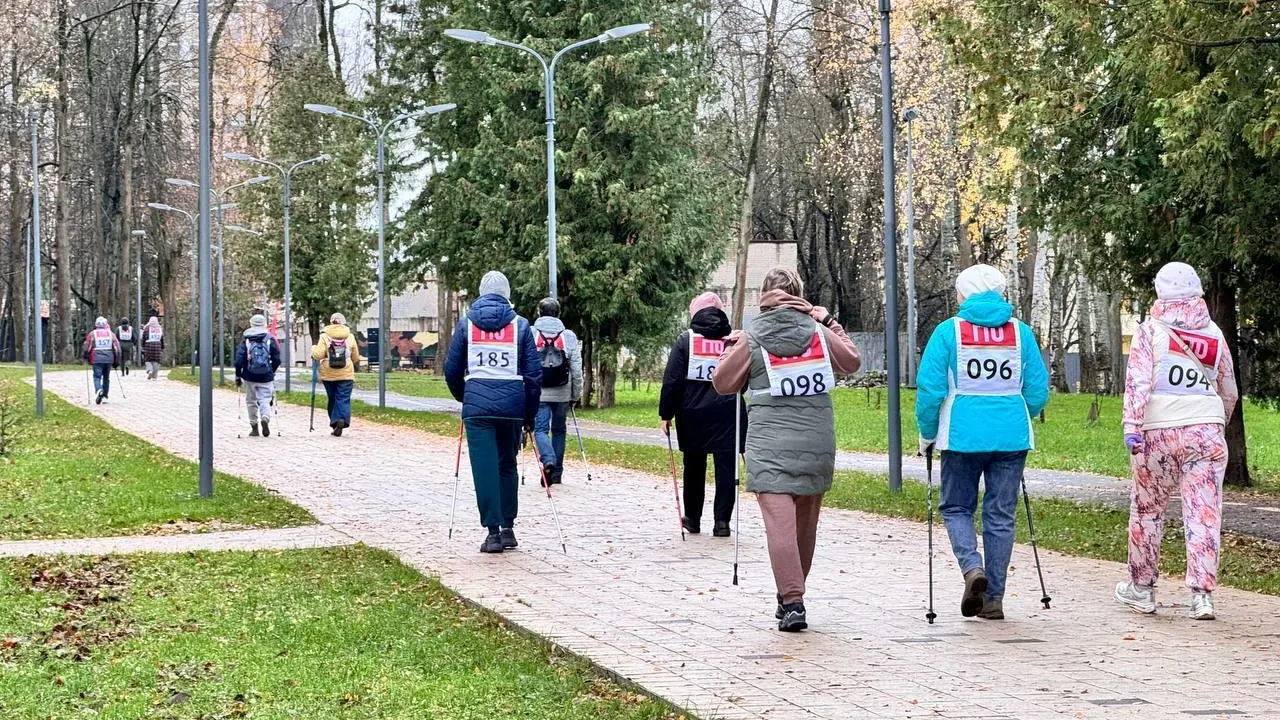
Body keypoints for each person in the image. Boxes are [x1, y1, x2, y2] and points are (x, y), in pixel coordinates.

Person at [712, 268, 861, 631]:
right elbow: (852, 361)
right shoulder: (818, 332)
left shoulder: (752, 337)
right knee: (805, 527)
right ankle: (793, 594)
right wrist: (828, 320)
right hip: (816, 440)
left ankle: (792, 601)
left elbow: (722, 384)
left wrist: (731, 350)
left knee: (780, 527)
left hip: (768, 444)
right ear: (799, 293)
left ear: (764, 295)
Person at [915, 264, 1050, 621]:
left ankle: (972, 568)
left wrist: (927, 434)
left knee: (957, 508)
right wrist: (1019, 411)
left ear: (965, 295)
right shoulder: (1021, 333)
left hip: (961, 434)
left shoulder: (948, 332)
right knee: (1000, 514)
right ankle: (993, 599)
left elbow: (930, 390)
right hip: (1012, 436)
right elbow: (1037, 390)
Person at [1115, 262, 1238, 621]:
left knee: (1147, 510)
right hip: (1206, 432)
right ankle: (1202, 596)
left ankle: (1142, 588)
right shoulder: (1215, 333)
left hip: (1157, 433)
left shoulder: (1149, 331)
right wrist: (1215, 421)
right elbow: (1228, 388)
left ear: (1160, 293)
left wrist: (1132, 426)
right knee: (1203, 512)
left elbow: (1137, 382)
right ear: (1197, 291)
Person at [444, 271, 542, 554]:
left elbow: (451, 371)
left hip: (478, 407)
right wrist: (529, 416)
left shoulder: (466, 325)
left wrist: (467, 397)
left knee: (484, 467)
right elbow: (533, 376)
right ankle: (509, 527)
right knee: (507, 463)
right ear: (507, 294)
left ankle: (493, 532)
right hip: (512, 404)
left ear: (481, 293)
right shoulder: (521, 326)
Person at [660, 291, 746, 537]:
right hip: (728, 413)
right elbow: (744, 376)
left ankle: (693, 519)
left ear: (695, 313)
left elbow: (672, 380)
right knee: (727, 468)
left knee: (694, 466)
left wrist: (666, 413)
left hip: (692, 414)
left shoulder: (686, 340)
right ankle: (722, 522)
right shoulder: (734, 340)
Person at [532, 297, 583, 485]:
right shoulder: (568, 336)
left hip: (539, 390)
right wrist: (575, 395)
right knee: (559, 430)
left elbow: (525, 364)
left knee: (540, 429)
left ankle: (548, 459)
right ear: (558, 314)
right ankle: (556, 473)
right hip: (562, 390)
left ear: (539, 312)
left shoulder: (531, 332)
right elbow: (576, 369)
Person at [311, 312, 361, 436]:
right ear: (343, 323)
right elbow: (356, 357)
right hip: (346, 373)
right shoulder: (350, 336)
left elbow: (318, 355)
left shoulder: (325, 336)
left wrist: (313, 349)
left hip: (328, 373)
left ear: (331, 322)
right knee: (343, 398)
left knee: (332, 398)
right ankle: (341, 419)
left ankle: (334, 423)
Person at [234, 314, 282, 437]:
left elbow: (239, 360)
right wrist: (272, 371)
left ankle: (254, 427)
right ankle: (265, 418)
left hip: (249, 376)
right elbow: (277, 358)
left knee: (251, 401)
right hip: (266, 375)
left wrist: (238, 375)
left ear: (251, 324)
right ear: (265, 324)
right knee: (265, 399)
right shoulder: (270, 339)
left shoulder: (247, 339)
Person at [82, 316, 122, 404]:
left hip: (96, 358)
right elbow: (117, 348)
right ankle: (104, 396)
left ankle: (99, 390)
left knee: (97, 376)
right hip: (109, 358)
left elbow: (87, 346)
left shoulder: (92, 334)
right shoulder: (111, 334)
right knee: (106, 377)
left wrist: (85, 356)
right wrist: (117, 360)